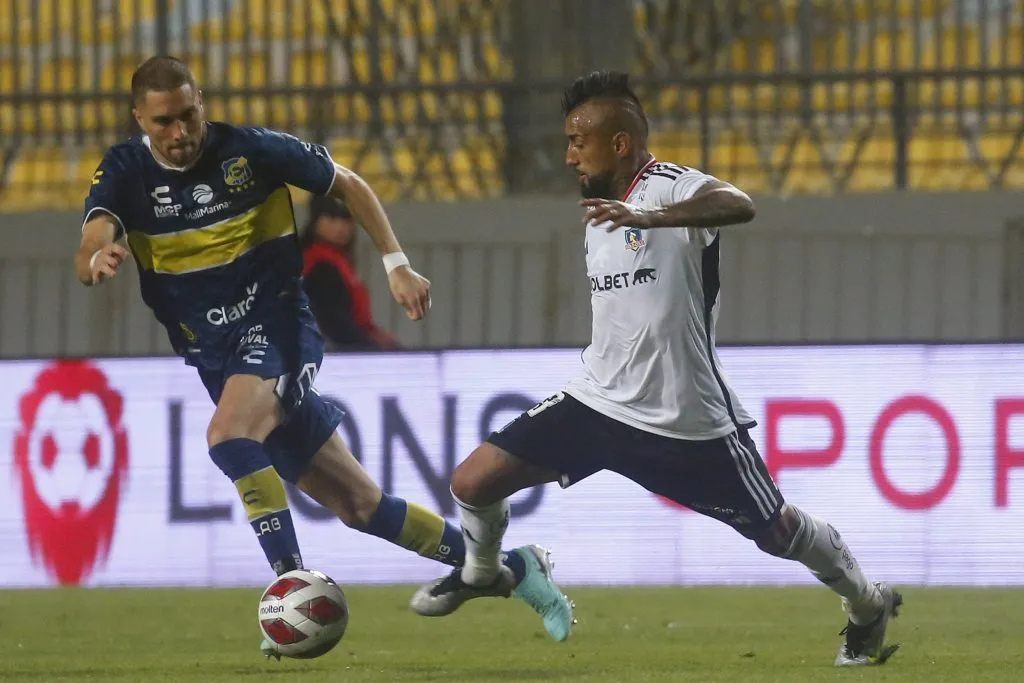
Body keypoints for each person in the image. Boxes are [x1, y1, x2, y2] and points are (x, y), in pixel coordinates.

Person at [73, 55, 574, 656]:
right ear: (140, 119)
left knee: (229, 436)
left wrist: (396, 263)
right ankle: (516, 568)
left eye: (188, 115)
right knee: (362, 507)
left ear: (201, 102)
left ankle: (289, 588)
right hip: (214, 355)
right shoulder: (125, 170)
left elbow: (348, 183)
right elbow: (93, 235)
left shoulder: (250, 151)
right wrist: (95, 259)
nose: (180, 132)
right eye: (164, 122)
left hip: (279, 325)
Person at [410, 70, 902, 667]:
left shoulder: (671, 186)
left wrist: (651, 219)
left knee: (778, 531)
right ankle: (489, 571)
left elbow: (739, 204)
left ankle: (867, 603)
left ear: (619, 143)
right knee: (473, 482)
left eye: (578, 141)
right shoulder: (598, 214)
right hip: (597, 402)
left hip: (684, 419)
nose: (569, 156)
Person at [300, 195, 401, 351]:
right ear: (316, 220)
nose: (341, 226)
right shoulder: (319, 264)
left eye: (347, 220)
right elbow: (334, 325)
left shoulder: (336, 260)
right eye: (332, 218)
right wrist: (372, 346)